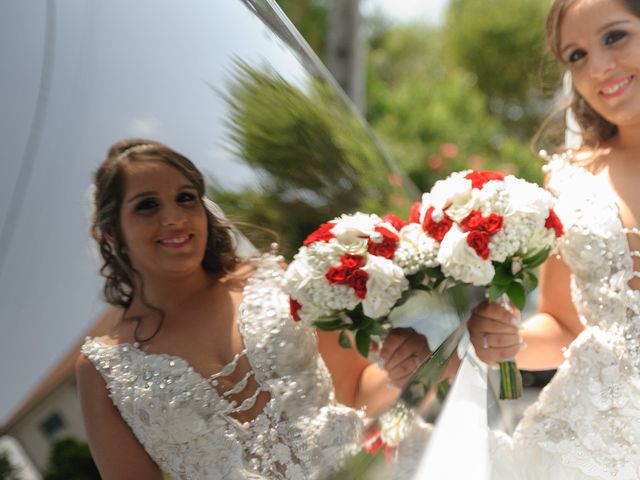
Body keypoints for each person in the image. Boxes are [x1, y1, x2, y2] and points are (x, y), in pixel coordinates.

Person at [76, 139, 430, 479]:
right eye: (147, 205)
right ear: (111, 232)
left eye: (186, 198)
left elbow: (358, 384)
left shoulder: (273, 281)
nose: (174, 218)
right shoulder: (103, 370)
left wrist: (409, 370)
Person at [467, 0, 640, 478]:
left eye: (615, 36)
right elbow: (563, 325)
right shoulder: (572, 181)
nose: (598, 68)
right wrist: (507, 340)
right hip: (587, 445)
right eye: (576, 55)